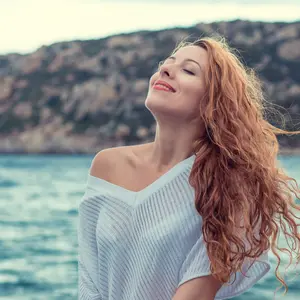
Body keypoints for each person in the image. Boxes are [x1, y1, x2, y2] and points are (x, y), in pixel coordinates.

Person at [77, 35, 300, 300]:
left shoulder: (231, 189)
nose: (165, 69)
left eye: (188, 70)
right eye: (166, 63)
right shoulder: (107, 166)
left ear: (213, 101)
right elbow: (89, 281)